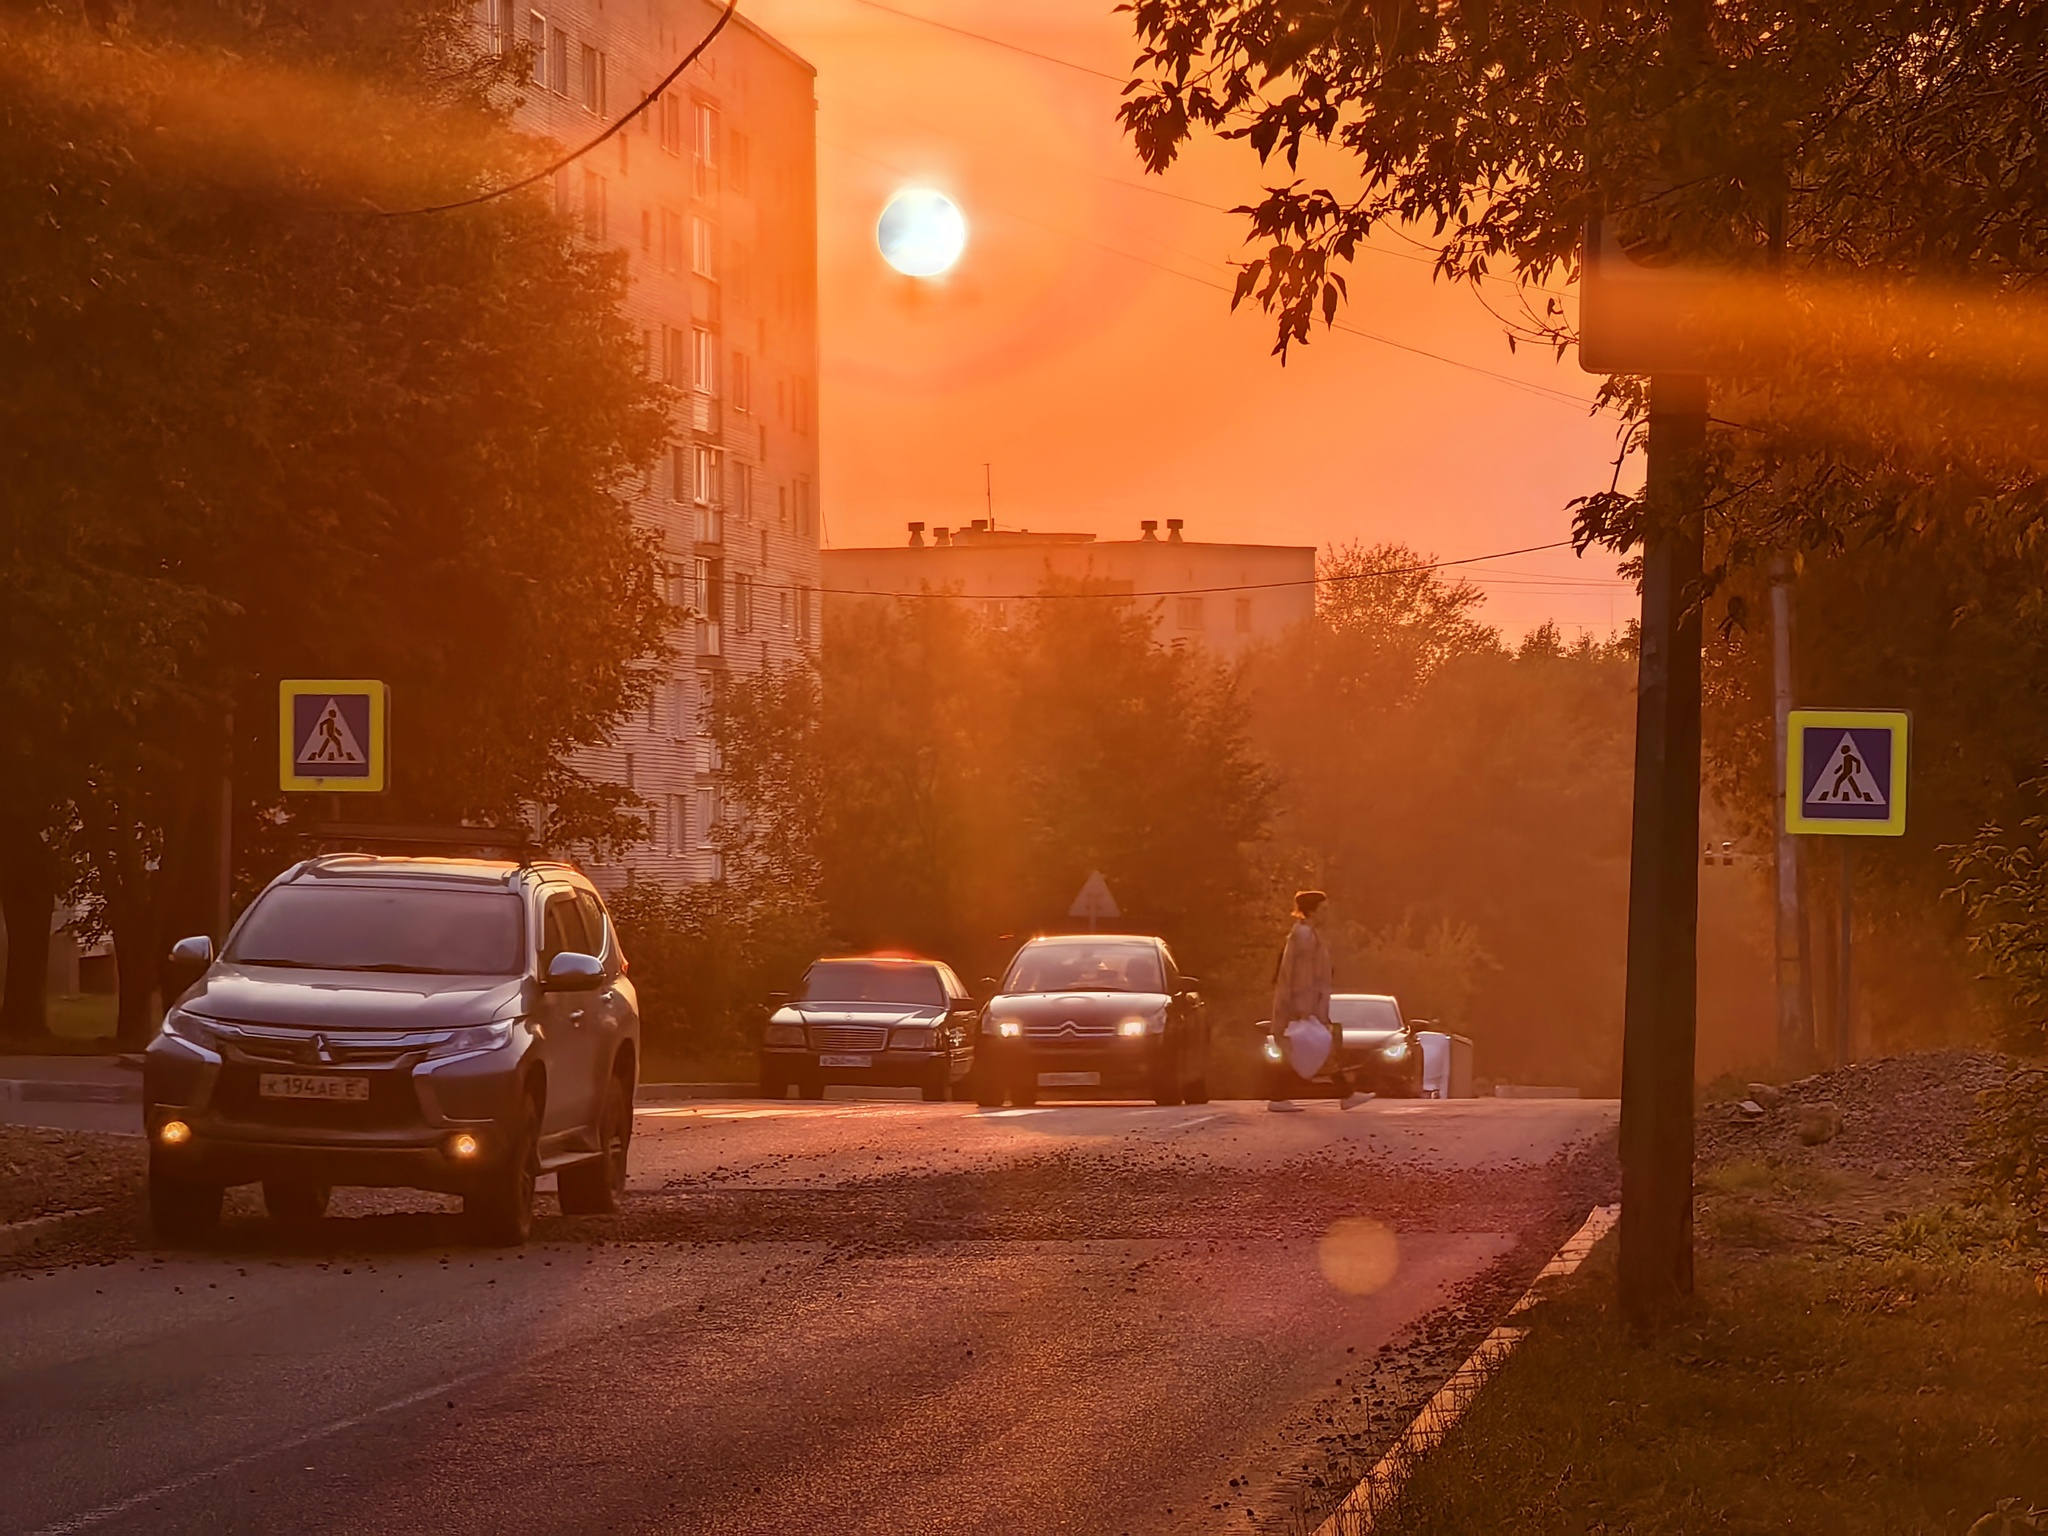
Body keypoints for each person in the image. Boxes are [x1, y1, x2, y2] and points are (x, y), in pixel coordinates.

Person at [1267, 890, 1371, 1112]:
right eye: (1323, 909)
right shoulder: (1305, 937)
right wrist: (1304, 1008)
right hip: (1304, 1005)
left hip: (1307, 1003)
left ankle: (1345, 1094)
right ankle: (1344, 1094)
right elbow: (1302, 976)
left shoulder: (1308, 934)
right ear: (1312, 911)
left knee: (1309, 1048)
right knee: (1312, 1046)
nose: (1327, 914)